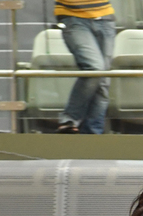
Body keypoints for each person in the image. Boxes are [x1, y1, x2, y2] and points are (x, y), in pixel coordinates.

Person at [54, 0, 116, 134]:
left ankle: (92, 133)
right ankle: (70, 119)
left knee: (103, 81)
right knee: (95, 69)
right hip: (73, 17)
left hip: (105, 18)